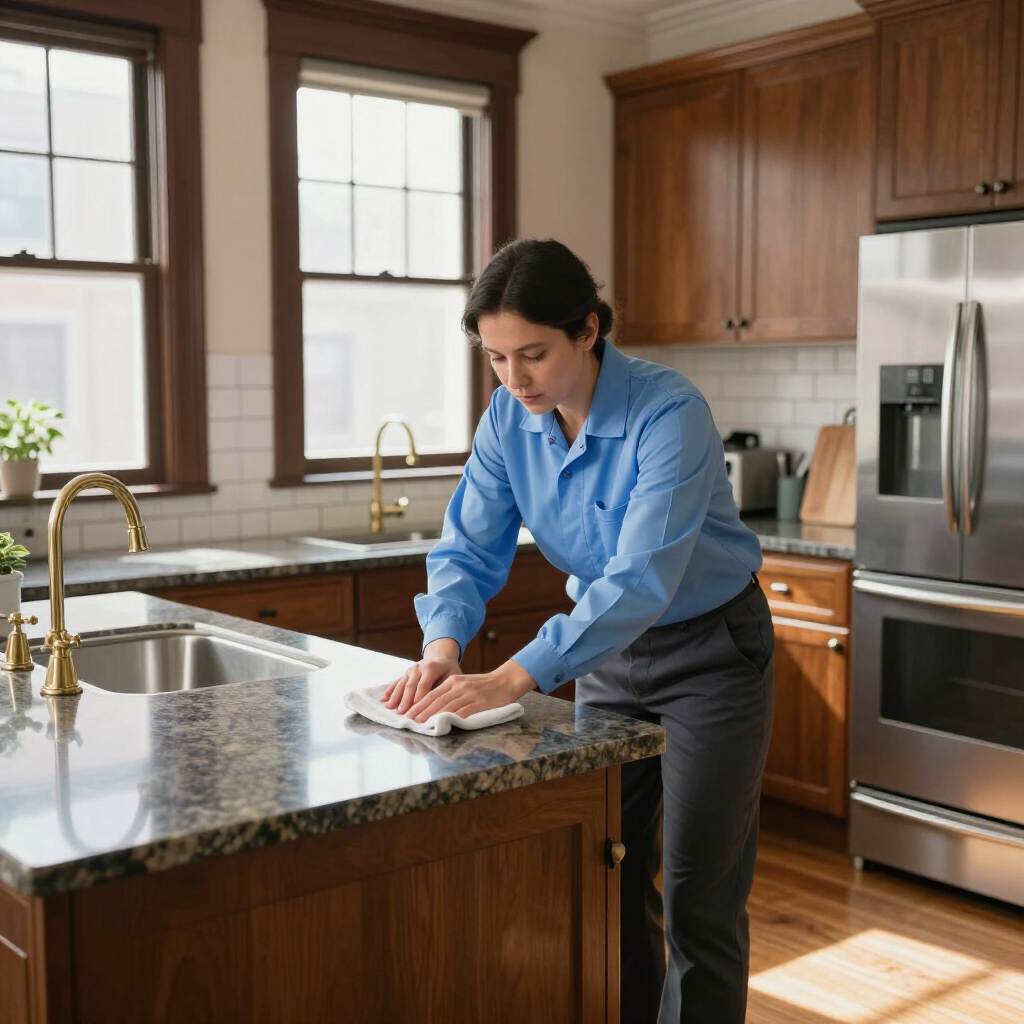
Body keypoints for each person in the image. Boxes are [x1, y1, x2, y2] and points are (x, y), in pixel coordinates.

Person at [382, 238, 774, 1024]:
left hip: (712, 655)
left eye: (532, 354)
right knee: (606, 870)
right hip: (609, 659)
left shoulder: (670, 413)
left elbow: (639, 580)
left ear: (588, 331)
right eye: (495, 358)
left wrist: (512, 677)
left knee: (700, 891)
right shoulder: (507, 418)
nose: (514, 379)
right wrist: (443, 647)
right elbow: (467, 545)